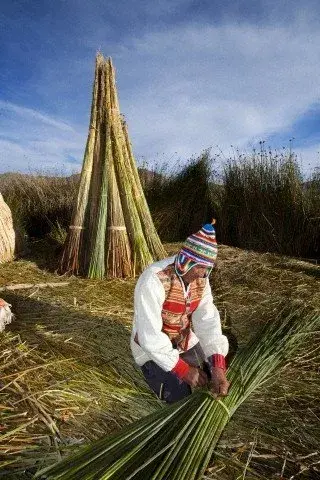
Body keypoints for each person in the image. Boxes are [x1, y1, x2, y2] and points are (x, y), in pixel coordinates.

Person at [131, 221, 230, 403]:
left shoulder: (201, 279)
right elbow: (149, 336)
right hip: (151, 348)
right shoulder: (154, 280)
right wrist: (183, 370)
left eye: (208, 268)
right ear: (186, 261)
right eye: (201, 267)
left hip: (184, 340)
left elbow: (207, 319)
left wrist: (218, 367)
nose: (204, 274)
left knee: (211, 373)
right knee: (180, 397)